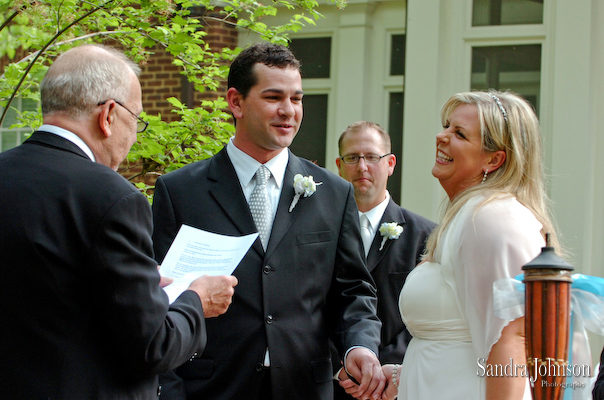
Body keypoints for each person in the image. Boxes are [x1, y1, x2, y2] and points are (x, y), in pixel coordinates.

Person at [0, 44, 238, 399]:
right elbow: (153, 346)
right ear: (109, 115)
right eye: (137, 120)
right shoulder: (112, 197)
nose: (135, 135)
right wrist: (196, 299)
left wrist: (135, 286)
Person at [152, 42, 385, 400]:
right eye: (274, 97)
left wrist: (360, 347)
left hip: (304, 388)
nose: (288, 111)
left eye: (297, 99)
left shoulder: (334, 193)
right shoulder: (180, 191)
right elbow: (159, 298)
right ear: (236, 102)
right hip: (211, 388)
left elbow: (353, 291)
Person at [380, 90, 562, 400]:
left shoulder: (491, 220)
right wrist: (403, 376)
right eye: (447, 126)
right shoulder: (467, 216)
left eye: (460, 134)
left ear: (494, 159)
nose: (442, 136)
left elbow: (512, 341)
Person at [333, 121, 435, 399]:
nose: (362, 167)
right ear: (339, 166)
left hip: (396, 385)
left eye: (372, 157)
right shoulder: (320, 233)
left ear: (390, 163)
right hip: (333, 383)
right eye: (352, 158)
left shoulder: (427, 237)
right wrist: (340, 365)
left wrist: (387, 370)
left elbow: (429, 314)